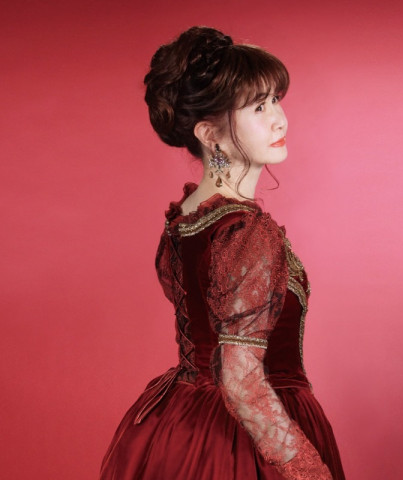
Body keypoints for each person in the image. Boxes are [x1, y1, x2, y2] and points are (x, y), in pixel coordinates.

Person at [100, 26, 345, 480]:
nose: (279, 120)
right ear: (210, 134)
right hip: (239, 444)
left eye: (276, 100)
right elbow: (242, 383)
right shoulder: (247, 231)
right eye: (258, 107)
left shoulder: (186, 217)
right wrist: (311, 473)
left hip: (176, 423)